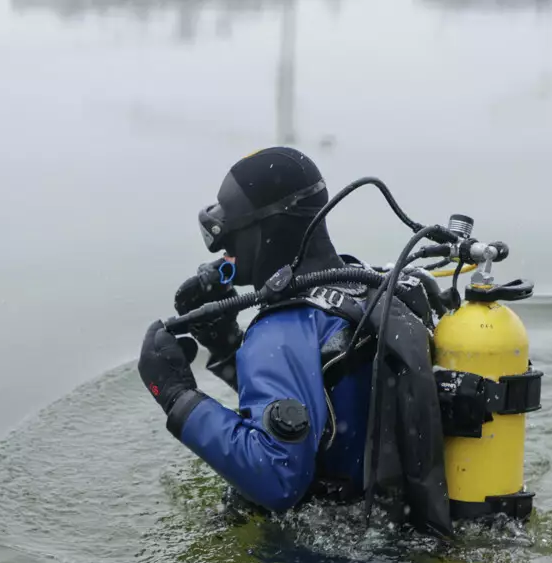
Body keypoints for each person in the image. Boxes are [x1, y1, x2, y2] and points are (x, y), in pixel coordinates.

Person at [137, 146, 452, 536]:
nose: (224, 250)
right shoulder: (364, 287)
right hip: (400, 525)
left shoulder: (279, 333)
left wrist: (176, 395)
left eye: (231, 236)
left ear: (261, 232)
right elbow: (322, 406)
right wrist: (226, 347)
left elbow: (279, 477)